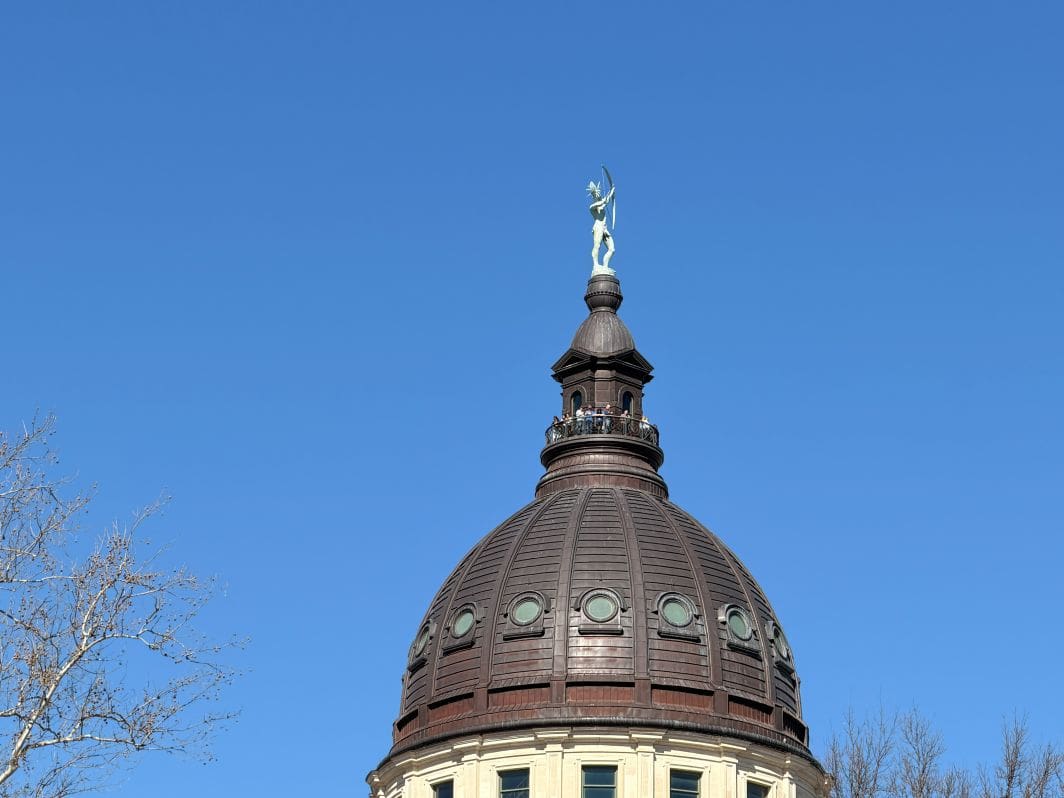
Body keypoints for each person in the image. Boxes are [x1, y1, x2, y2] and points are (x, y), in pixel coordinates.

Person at [588, 179, 616, 272]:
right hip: (598, 227)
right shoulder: (592, 207)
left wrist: (612, 191)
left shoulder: (602, 205)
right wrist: (604, 200)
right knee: (597, 246)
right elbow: (602, 202)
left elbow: (606, 200)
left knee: (612, 249)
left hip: (604, 229)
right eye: (595, 194)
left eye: (598, 193)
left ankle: (605, 266)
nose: (598, 195)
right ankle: (595, 265)